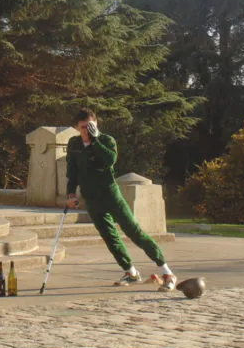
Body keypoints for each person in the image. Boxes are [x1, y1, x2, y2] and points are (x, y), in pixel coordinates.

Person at [65, 109, 177, 291]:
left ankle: (166, 271)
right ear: (77, 127)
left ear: (96, 124)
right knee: (110, 237)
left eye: (90, 126)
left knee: (134, 232)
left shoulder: (106, 140)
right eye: (83, 127)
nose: (86, 131)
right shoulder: (74, 144)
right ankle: (130, 271)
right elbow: (72, 171)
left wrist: (95, 141)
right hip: (92, 198)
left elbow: (109, 160)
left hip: (110, 195)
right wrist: (71, 194)